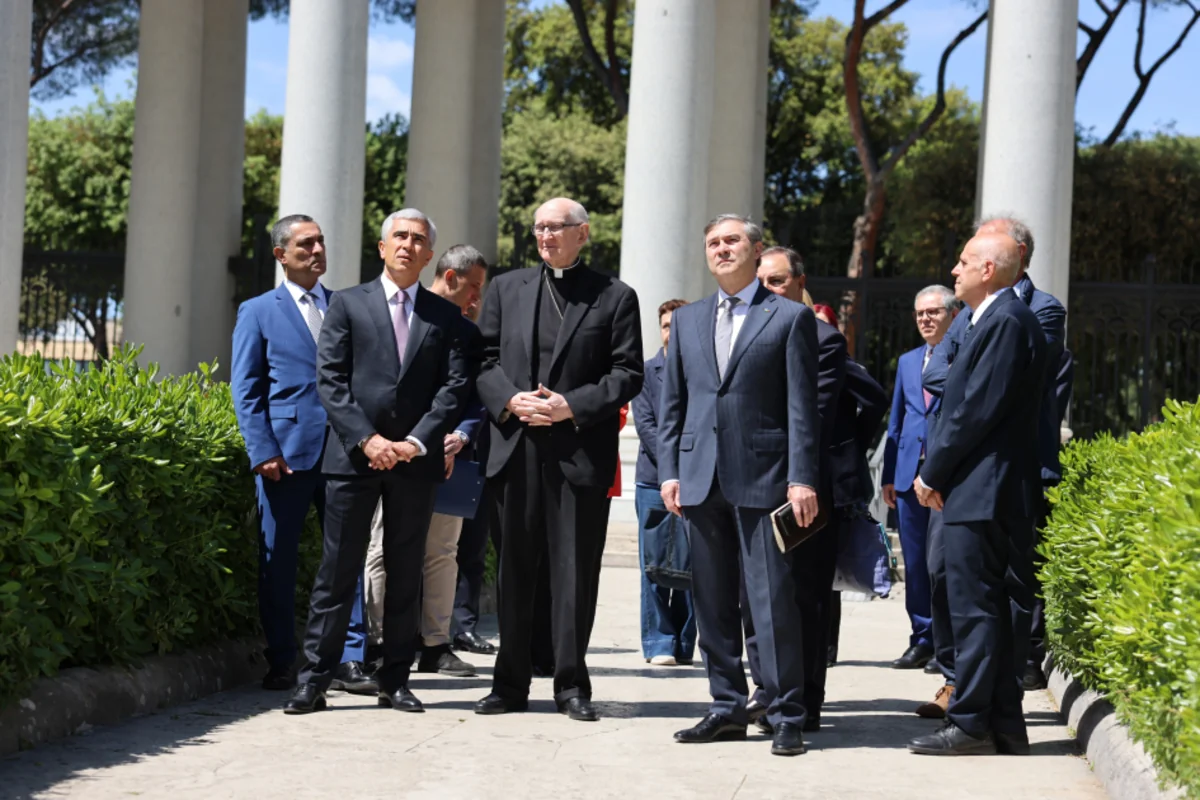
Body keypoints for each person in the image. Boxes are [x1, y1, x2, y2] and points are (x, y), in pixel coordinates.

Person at [283, 209, 478, 715]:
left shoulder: (445, 316)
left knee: (405, 569)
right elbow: (331, 380)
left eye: (419, 240)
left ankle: (395, 679)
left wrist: (414, 443)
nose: (409, 246)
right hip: (352, 458)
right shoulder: (347, 304)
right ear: (382, 245)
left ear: (430, 254)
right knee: (337, 570)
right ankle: (313, 680)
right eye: (400, 237)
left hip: (415, 462)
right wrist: (368, 440)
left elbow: (454, 387)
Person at [472, 197, 643, 722]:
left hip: (577, 453)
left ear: (582, 234)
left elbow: (627, 373)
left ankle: (571, 686)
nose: (546, 236)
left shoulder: (614, 296)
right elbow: (482, 359)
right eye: (539, 227)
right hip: (516, 449)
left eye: (557, 227)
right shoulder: (506, 288)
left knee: (573, 574)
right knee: (515, 573)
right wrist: (508, 399)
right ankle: (509, 685)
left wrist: (571, 406)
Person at [660, 216, 820, 757]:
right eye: (713, 243)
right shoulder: (687, 322)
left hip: (767, 479)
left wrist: (802, 477)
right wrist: (670, 471)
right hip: (700, 479)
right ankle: (725, 706)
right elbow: (673, 406)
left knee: (772, 600)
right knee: (711, 601)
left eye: (732, 241)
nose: (722, 249)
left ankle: (785, 713)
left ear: (756, 251)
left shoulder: (791, 318)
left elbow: (803, 407)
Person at [919, 215, 1071, 717]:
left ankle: (972, 722)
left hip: (983, 487)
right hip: (978, 484)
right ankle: (1003, 724)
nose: (953, 269)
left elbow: (972, 411)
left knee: (978, 611)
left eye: (963, 261)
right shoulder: (983, 317)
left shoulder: (1006, 320)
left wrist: (932, 472)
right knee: (983, 608)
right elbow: (949, 381)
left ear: (987, 268)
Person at [231, 214, 375, 695]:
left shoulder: (346, 306)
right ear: (280, 255)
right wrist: (262, 450)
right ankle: (283, 659)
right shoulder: (257, 311)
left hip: (344, 454)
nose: (317, 250)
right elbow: (246, 389)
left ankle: (350, 657)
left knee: (346, 556)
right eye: (305, 244)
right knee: (279, 560)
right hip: (285, 459)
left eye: (320, 241)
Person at [362, 245, 490, 678]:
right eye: (473, 287)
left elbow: (473, 395)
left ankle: (435, 643)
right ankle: (377, 644)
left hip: (448, 459)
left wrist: (461, 435)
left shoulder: (468, 332)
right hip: (392, 455)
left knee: (442, 552)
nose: (477, 297)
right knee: (383, 549)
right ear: (451, 278)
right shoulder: (396, 315)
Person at [742, 245, 845, 735]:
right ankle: (767, 694)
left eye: (778, 281)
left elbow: (814, 419)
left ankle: (806, 701)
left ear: (801, 282)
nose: (769, 290)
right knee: (757, 597)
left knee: (803, 598)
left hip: (801, 490)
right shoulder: (743, 333)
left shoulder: (824, 339)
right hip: (750, 486)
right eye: (762, 281)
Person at [881, 285, 961, 671]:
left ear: (953, 315)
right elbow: (896, 422)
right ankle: (922, 638)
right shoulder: (908, 361)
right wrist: (890, 477)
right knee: (914, 563)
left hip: (946, 477)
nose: (925, 319)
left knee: (941, 564)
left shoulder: (964, 356)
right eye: (919, 314)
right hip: (909, 475)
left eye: (933, 312)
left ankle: (948, 642)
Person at [631, 298, 696, 667]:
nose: (671, 332)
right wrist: (675, 471)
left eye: (678, 325)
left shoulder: (703, 371)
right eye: (666, 325)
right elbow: (648, 429)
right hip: (653, 482)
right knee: (654, 565)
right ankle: (658, 643)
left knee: (694, 567)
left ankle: (685, 644)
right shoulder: (645, 373)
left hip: (697, 484)